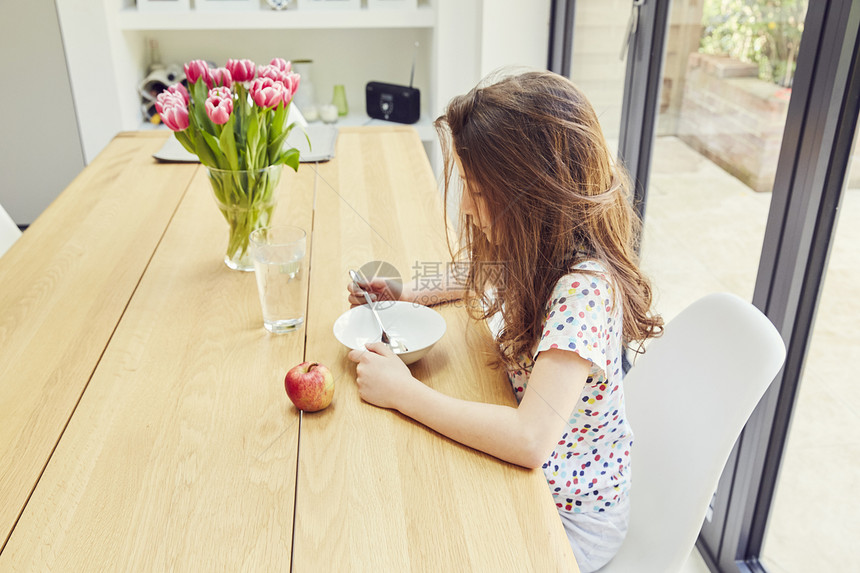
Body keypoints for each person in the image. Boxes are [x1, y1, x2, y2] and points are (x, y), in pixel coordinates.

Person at [346, 70, 663, 572]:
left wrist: (405, 392)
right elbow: (479, 272)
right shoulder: (537, 243)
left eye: (476, 190)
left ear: (531, 195)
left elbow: (528, 440)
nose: (467, 208)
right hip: (532, 476)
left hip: (571, 521)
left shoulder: (585, 290)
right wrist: (406, 292)